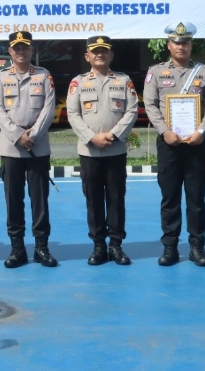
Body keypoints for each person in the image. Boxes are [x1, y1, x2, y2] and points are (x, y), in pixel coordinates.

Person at [142, 21, 205, 267]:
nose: (181, 46)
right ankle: (170, 247)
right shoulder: (155, 73)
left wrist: (200, 131)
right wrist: (165, 131)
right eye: (176, 43)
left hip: (196, 144)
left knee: (196, 199)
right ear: (169, 45)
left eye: (185, 42)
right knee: (170, 197)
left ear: (191, 44)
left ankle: (197, 247)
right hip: (169, 144)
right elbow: (150, 105)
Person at [67, 35, 138, 265]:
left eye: (104, 51)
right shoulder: (78, 83)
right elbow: (73, 114)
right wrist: (91, 137)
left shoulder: (123, 80)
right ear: (87, 56)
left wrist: (115, 134)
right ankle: (98, 246)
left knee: (116, 199)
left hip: (115, 150)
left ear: (111, 55)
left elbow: (132, 111)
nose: (99, 54)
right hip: (89, 151)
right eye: (94, 51)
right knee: (93, 199)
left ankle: (116, 245)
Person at [0, 30, 58, 268]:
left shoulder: (43, 75)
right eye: (16, 48)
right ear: (10, 51)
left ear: (32, 50)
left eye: (25, 47)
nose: (21, 51)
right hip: (11, 148)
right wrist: (18, 135)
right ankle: (17, 248)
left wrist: (34, 134)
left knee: (39, 200)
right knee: (14, 199)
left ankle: (41, 247)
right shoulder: (0, 77)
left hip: (38, 147)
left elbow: (48, 109)